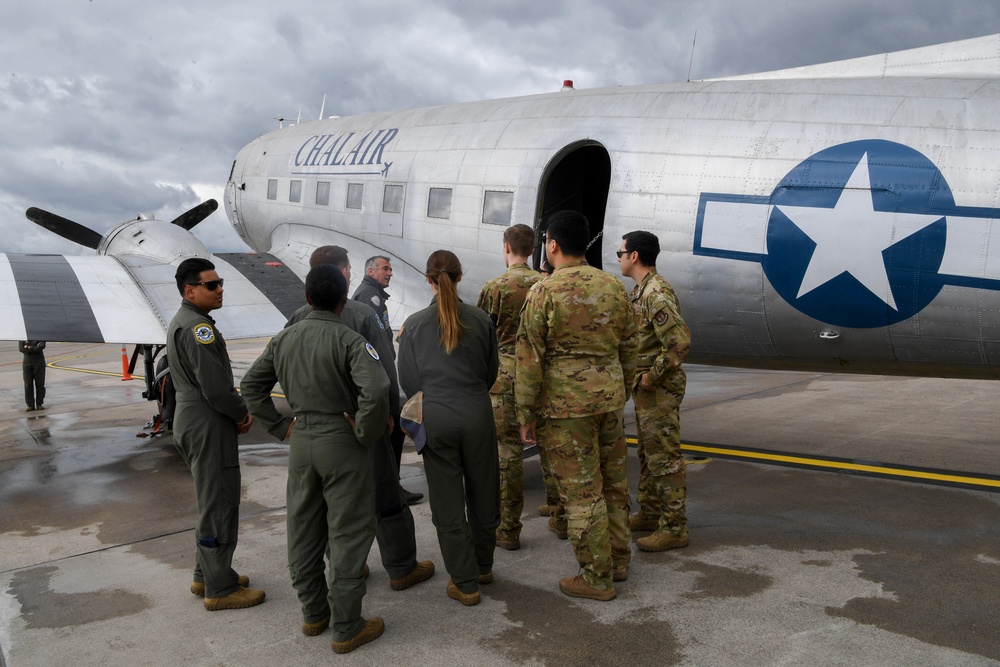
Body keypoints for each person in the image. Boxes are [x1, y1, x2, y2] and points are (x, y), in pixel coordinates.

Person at [241, 265, 390, 654]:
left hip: (302, 440)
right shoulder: (351, 340)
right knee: (348, 533)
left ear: (307, 298)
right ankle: (347, 625)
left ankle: (313, 613)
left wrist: (279, 427)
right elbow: (376, 389)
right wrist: (364, 430)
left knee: (303, 529)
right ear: (344, 300)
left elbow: (251, 386)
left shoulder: (284, 339)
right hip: (342, 442)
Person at [285, 246, 434, 592]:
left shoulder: (295, 318)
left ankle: (347, 564)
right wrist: (388, 416)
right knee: (386, 494)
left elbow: (278, 369)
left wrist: (287, 422)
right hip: (364, 423)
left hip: (317, 429)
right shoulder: (364, 313)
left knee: (327, 504)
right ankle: (400, 567)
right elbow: (382, 370)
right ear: (343, 273)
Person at [515, 211, 638, 601]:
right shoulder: (614, 287)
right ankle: (618, 560)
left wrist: (525, 414)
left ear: (551, 245)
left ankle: (596, 577)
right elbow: (631, 347)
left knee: (582, 493)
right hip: (609, 402)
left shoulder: (545, 291)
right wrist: (622, 388)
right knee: (615, 485)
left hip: (566, 409)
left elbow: (529, 358)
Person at [397, 250, 500, 606]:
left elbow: (408, 381)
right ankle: (483, 566)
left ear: (429, 280)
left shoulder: (413, 324)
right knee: (484, 491)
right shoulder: (482, 320)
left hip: (437, 415)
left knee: (448, 502)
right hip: (476, 411)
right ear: (459, 278)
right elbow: (491, 373)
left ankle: (465, 583)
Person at [165, 258, 264, 611]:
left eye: (220, 282)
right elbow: (217, 388)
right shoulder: (198, 329)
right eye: (212, 285)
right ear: (190, 290)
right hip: (207, 420)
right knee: (219, 501)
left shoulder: (189, 321)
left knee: (211, 498)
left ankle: (205, 573)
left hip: (194, 417)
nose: (220, 289)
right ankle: (219, 589)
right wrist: (241, 413)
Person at [617, 231, 692, 552]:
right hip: (647, 389)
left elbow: (679, 342)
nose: (618, 258)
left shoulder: (655, 293)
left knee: (664, 457)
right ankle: (650, 511)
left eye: (620, 252)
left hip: (658, 389)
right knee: (649, 454)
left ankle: (674, 527)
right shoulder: (640, 291)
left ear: (634, 256)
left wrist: (652, 377)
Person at [475, 224, 542, 551]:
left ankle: (509, 528)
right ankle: (560, 516)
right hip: (541, 376)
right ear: (531, 250)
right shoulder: (546, 285)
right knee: (554, 449)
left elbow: (481, 336)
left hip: (503, 378)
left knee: (508, 454)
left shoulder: (495, 288)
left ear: (507, 248)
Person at [352, 254, 423, 505]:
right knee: (390, 434)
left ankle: (388, 488)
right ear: (370, 271)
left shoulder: (373, 296)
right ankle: (389, 491)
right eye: (385, 269)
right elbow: (376, 347)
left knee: (391, 435)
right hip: (377, 376)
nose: (390, 273)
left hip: (378, 375)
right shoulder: (369, 298)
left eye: (391, 269)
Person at [19, 340, 46, 411]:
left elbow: (40, 347)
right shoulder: (23, 336)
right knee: (28, 384)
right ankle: (30, 404)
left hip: (38, 361)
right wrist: (33, 348)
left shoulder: (39, 334)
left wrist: (29, 347)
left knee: (40, 383)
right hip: (27, 361)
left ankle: (39, 403)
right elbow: (21, 348)